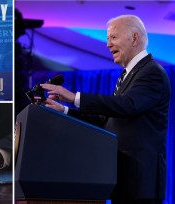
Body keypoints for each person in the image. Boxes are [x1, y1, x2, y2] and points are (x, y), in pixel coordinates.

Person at [40, 15, 171, 204]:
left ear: (134, 38)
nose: (108, 45)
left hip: (141, 181)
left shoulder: (151, 72)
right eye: (108, 39)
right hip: (122, 177)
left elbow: (128, 105)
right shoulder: (128, 74)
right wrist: (65, 110)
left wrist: (74, 97)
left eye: (113, 37)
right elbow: (105, 119)